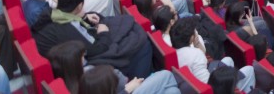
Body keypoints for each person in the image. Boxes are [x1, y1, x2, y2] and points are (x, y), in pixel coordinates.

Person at [34, 0, 153, 79]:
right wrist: (103, 33)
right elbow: (97, 49)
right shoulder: (69, 28)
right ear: (79, 6)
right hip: (82, 66)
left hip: (68, 61)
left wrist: (84, 17)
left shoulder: (52, 14)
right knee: (142, 43)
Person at [48, 40, 180, 94]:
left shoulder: (67, 83)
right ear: (73, 64)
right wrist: (127, 90)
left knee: (172, 91)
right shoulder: (87, 79)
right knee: (166, 75)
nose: (85, 58)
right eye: (82, 56)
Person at [172, 16, 255, 91]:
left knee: (228, 60)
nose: (196, 32)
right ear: (191, 37)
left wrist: (196, 42)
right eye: (194, 31)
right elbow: (208, 87)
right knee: (249, 69)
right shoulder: (195, 54)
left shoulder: (174, 52)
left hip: (196, 80)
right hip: (211, 87)